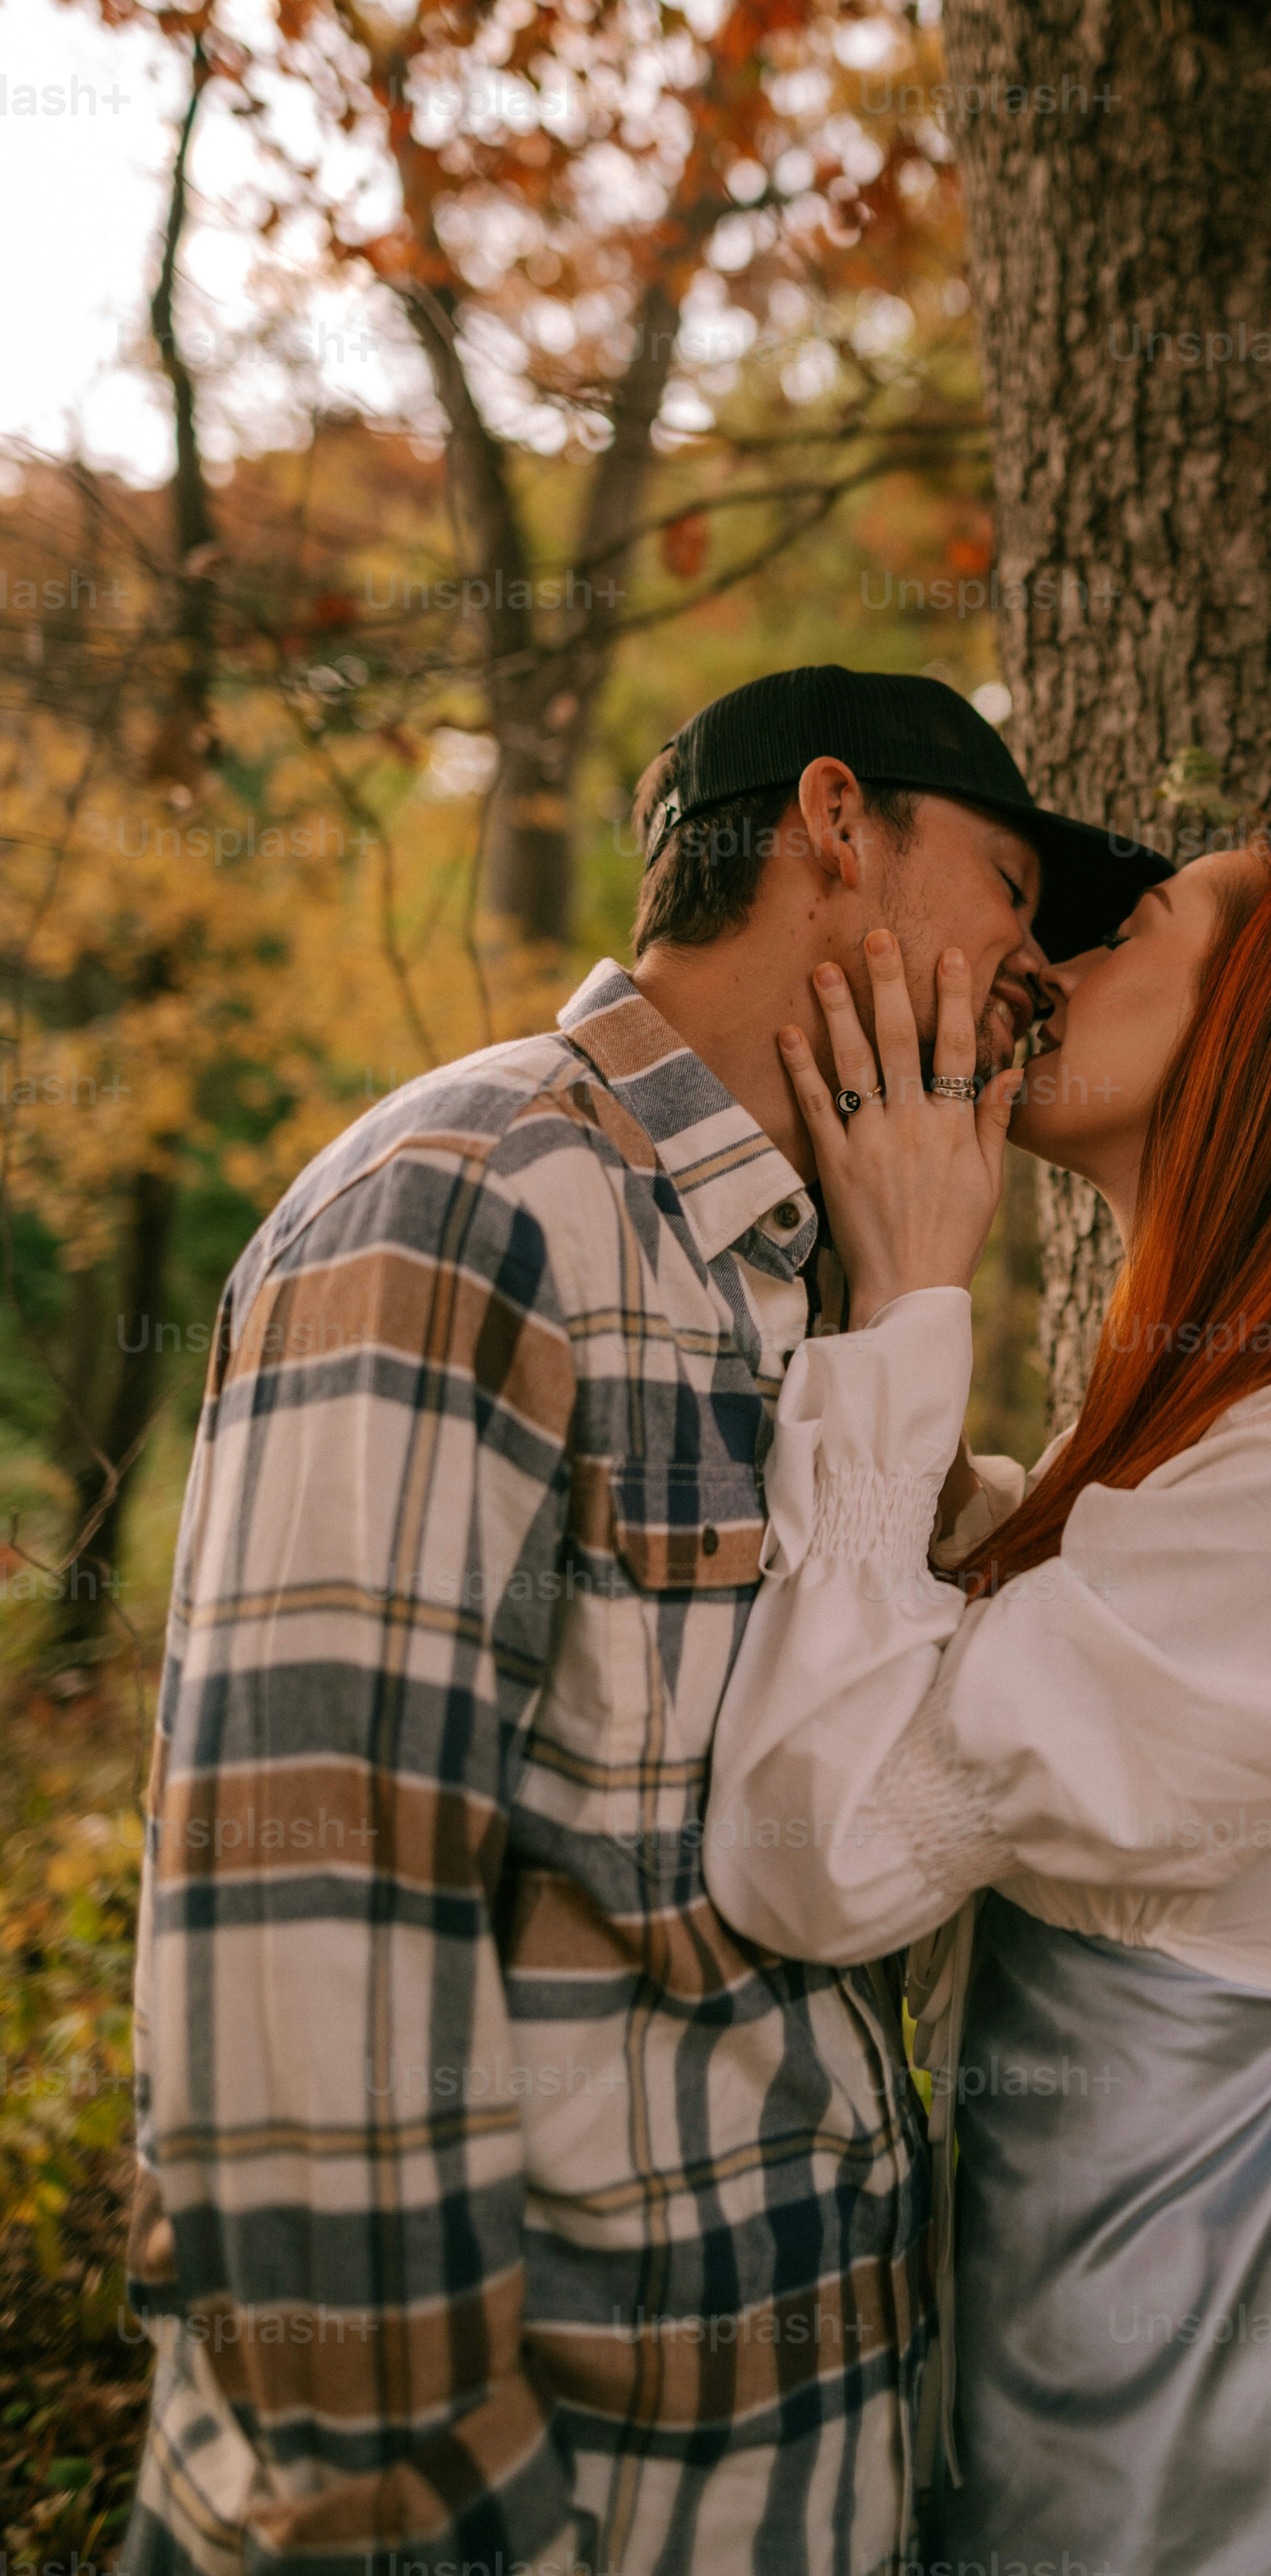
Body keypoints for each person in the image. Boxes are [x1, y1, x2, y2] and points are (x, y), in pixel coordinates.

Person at [120, 665, 1170, 2576]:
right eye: (1017, 892)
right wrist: (418, 2517)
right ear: (836, 827)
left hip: (799, 2481)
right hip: (565, 2512)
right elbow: (304, 1933)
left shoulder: (797, 1276)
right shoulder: (477, 1202)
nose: (1039, 974)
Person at [702, 840, 1271, 2576]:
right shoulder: (1208, 1447)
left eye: (1139, 926)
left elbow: (813, 1863)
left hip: (1183, 2395)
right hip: (1066, 2331)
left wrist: (921, 1297)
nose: (1061, 962)